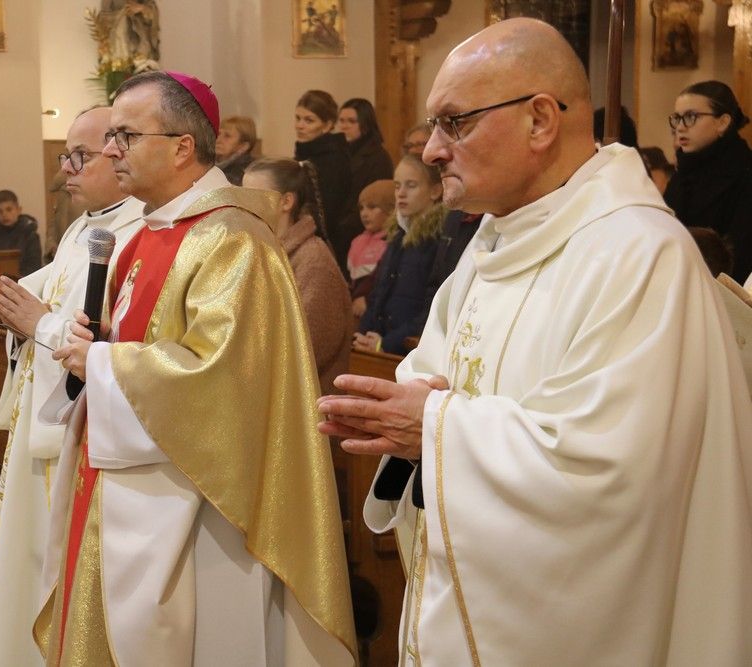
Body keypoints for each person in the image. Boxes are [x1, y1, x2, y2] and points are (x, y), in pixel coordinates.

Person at [318, 18, 752, 666]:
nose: (432, 150)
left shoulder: (638, 256)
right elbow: (431, 375)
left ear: (541, 120)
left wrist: (433, 426)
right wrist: (404, 414)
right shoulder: (494, 241)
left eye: (454, 123)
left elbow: (615, 471)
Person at [37, 70, 356, 666]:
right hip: (132, 485)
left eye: (125, 136)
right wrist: (95, 347)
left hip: (199, 505)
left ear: (182, 146)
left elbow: (222, 380)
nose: (111, 150)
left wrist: (102, 362)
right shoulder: (148, 234)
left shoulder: (231, 240)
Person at [0, 106, 145, 667]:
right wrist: (21, 319)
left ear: (118, 154)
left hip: (81, 435)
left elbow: (106, 340)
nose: (66, 168)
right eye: (65, 156)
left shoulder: (139, 231)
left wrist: (39, 323)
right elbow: (39, 306)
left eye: (80, 156)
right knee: (24, 558)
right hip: (40, 429)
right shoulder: (82, 228)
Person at [243, 157, 353, 394]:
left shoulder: (314, 263)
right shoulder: (261, 253)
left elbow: (302, 351)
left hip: (307, 406)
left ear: (286, 201)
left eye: (254, 195)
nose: (244, 205)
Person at [355, 155, 447, 356]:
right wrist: (363, 334)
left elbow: (432, 306)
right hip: (378, 345)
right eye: (397, 186)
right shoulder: (398, 234)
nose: (401, 194)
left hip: (406, 351)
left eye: (411, 186)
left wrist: (388, 343)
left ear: (435, 191)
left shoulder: (439, 239)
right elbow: (378, 293)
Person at [663, 80, 752, 283]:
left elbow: (741, 251)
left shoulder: (745, 173)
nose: (680, 127)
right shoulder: (682, 173)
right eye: (677, 118)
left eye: (691, 117)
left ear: (723, 122)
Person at [336, 98, 395, 273]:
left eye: (351, 121)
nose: (344, 126)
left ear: (365, 124)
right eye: (341, 121)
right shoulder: (340, 154)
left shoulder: (378, 157)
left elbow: (377, 200)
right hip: (343, 232)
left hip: (363, 230)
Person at [294, 89, 351, 260]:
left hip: (326, 244)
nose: (300, 125)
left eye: (309, 120)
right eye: (298, 118)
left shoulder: (333, 159)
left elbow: (328, 212)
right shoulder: (305, 152)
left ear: (327, 126)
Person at [347, 179, 393, 317]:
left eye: (372, 207)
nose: (364, 214)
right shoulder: (357, 241)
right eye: (361, 208)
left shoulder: (391, 242)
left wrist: (366, 298)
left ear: (391, 209)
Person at [0, 189, 43, 277]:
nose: (4, 214)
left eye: (9, 209)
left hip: (22, 282)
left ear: (18, 210)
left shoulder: (30, 236)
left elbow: (34, 268)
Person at [44, 170, 88, 263]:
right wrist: (51, 243)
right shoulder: (62, 193)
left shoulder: (88, 194)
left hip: (80, 253)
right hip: (60, 253)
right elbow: (54, 220)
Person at [215, 115, 257, 185]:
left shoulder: (246, 173)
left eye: (227, 136)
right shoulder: (207, 164)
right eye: (218, 134)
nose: (218, 140)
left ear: (243, 146)